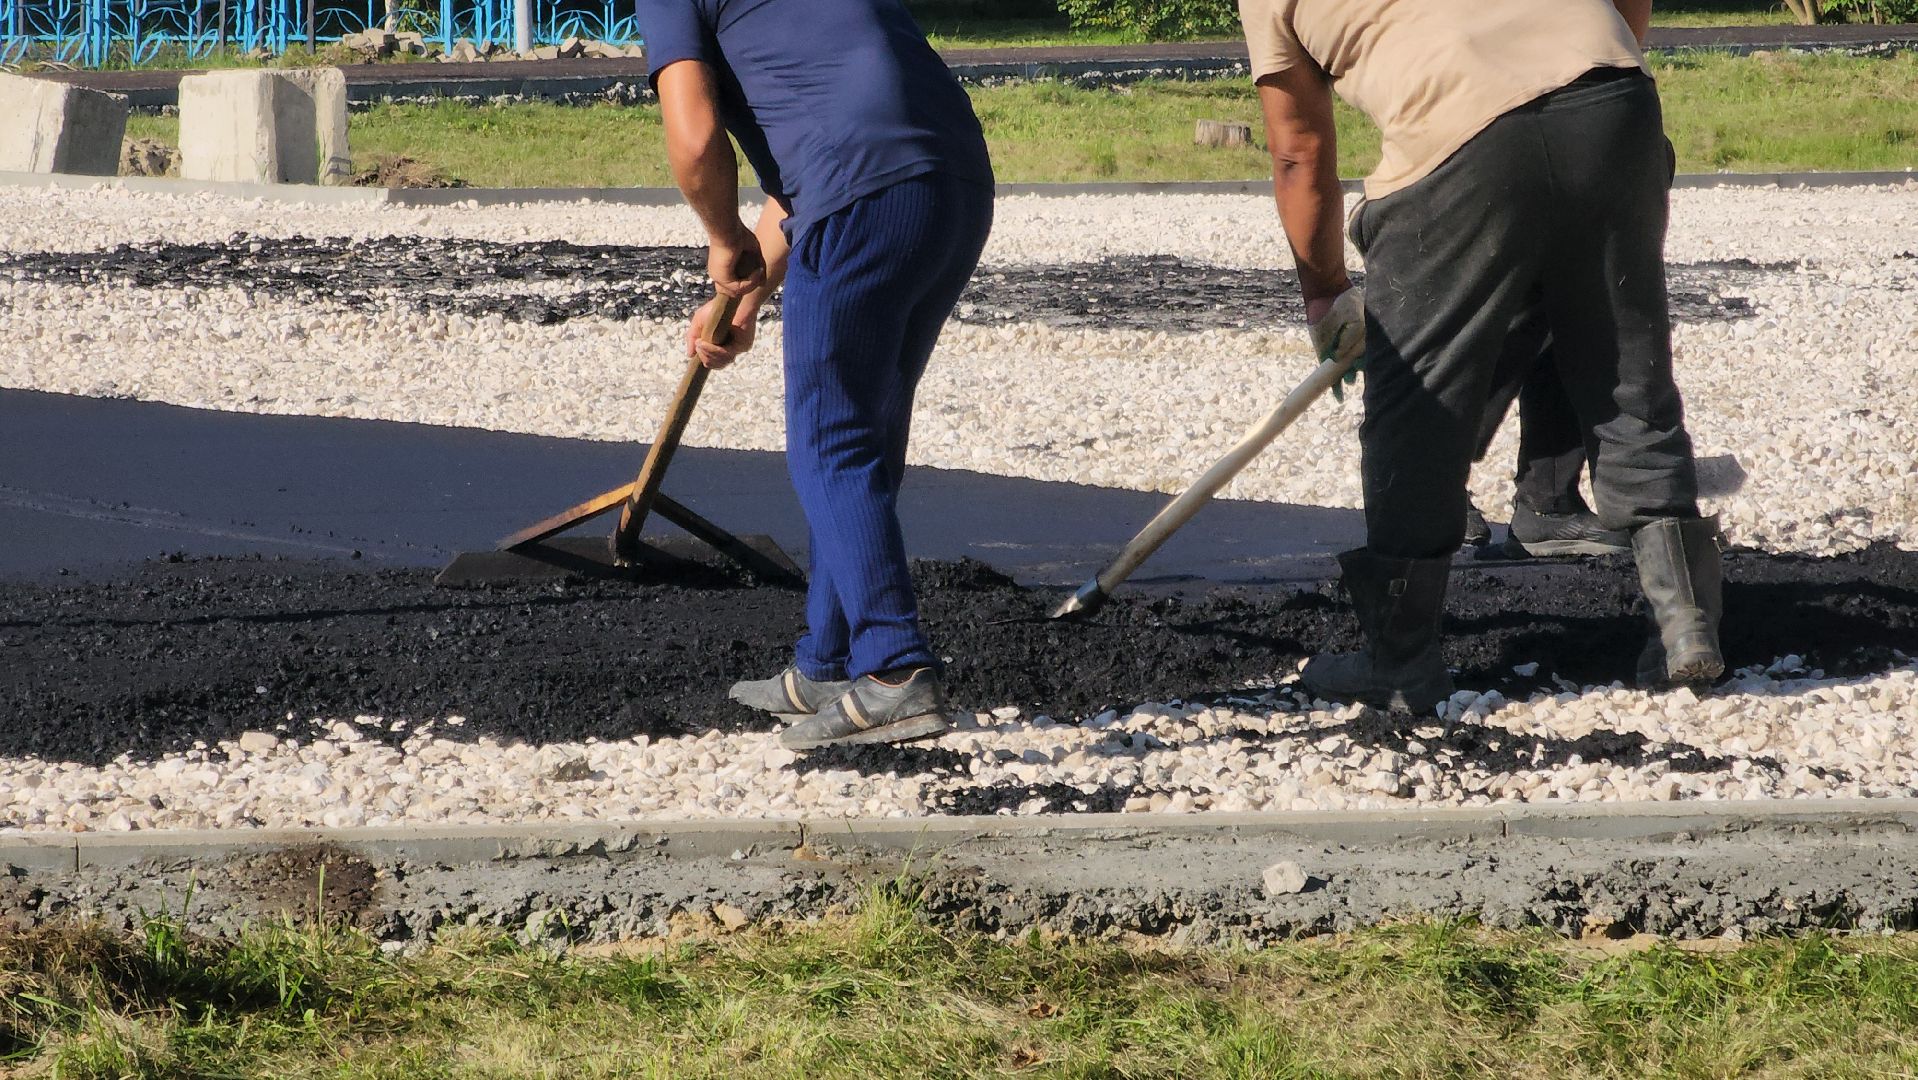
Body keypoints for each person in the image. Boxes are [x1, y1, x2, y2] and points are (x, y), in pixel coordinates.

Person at [1241, 0, 1724, 710]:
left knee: (1418, 402)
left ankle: (1401, 661)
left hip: (1461, 133)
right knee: (1626, 366)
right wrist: (1581, 81)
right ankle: (1687, 625)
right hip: (1612, 97)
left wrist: (1324, 294)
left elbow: (1298, 152)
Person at [636, 0, 994, 748]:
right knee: (866, 431)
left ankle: (894, 669)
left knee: (831, 442)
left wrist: (723, 236)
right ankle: (827, 663)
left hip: (864, 191)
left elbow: (695, 139)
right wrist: (747, 293)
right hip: (953, 183)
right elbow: (822, 151)